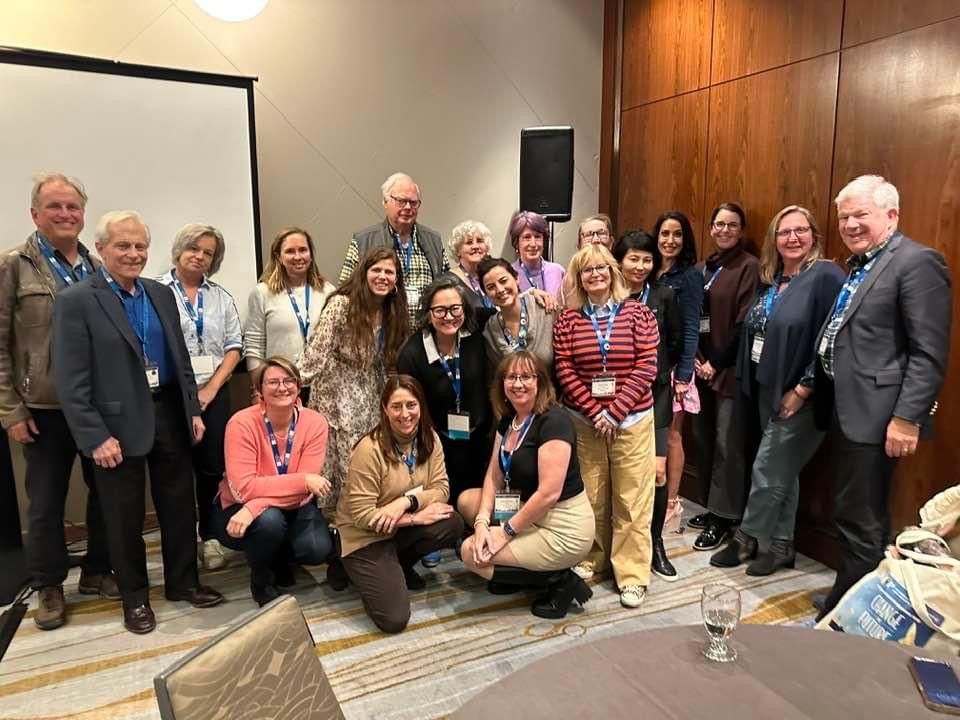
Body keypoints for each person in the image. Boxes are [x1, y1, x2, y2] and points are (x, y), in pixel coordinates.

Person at [53, 211, 222, 635]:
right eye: (123, 246)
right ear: (103, 249)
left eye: (140, 246)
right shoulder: (77, 299)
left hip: (167, 411)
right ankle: (135, 598)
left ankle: (183, 583)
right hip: (114, 425)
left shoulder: (158, 293)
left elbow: (180, 360)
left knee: (180, 506)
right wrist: (94, 436)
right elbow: (71, 380)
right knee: (123, 517)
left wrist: (192, 410)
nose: (133, 254)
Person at [814, 175, 951, 618]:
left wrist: (907, 418)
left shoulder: (916, 263)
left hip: (878, 416)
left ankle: (850, 616)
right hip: (846, 406)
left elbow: (928, 352)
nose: (851, 225)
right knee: (852, 512)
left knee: (862, 520)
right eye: (844, 217)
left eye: (861, 215)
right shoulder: (861, 264)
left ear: (891, 215)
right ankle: (851, 595)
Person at [0, 172, 116, 630]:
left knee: (106, 493)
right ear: (35, 214)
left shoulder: (97, 265)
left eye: (73, 207)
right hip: (42, 410)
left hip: (97, 405)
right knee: (46, 503)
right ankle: (48, 584)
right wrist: (10, 408)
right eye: (55, 207)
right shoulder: (13, 265)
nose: (65, 214)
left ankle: (97, 571)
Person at [710, 206, 844, 575]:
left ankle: (746, 538)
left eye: (801, 230)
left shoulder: (826, 276)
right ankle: (782, 545)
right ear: (775, 239)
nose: (793, 238)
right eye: (785, 232)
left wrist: (803, 388)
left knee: (768, 467)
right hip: (765, 386)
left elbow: (832, 339)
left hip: (801, 394)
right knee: (784, 469)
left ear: (814, 235)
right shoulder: (772, 279)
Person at [553, 244, 659, 608]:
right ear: (579, 278)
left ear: (613, 273)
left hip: (631, 419)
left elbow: (647, 365)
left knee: (632, 498)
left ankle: (631, 574)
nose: (595, 275)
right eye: (587, 270)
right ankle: (591, 559)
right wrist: (593, 410)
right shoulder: (568, 319)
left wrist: (614, 411)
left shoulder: (638, 314)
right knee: (591, 495)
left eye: (601, 268)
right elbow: (564, 368)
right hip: (584, 421)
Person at [461, 352, 594, 618]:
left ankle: (560, 580)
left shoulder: (554, 420)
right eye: (511, 377)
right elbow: (493, 477)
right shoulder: (509, 421)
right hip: (530, 513)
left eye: (526, 377)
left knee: (468, 553)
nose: (518, 384)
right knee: (467, 501)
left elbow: (548, 494)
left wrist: (504, 532)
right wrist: (482, 523)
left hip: (563, 527)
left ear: (541, 382)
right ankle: (516, 573)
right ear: (501, 384)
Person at [333, 375, 464, 633]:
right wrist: (414, 518)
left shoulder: (430, 439)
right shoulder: (368, 450)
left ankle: (396, 565)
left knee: (452, 522)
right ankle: (344, 565)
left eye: (411, 405)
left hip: (396, 528)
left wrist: (407, 502)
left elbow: (442, 488)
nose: (405, 414)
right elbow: (362, 517)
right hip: (364, 536)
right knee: (394, 620)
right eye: (396, 406)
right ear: (384, 409)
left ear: (421, 406)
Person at [213, 357, 333, 606]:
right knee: (269, 522)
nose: (282, 387)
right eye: (273, 382)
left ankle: (279, 556)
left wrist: (255, 505)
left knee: (317, 549)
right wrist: (303, 481)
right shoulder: (241, 423)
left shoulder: (315, 423)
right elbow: (244, 488)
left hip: (287, 506)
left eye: (289, 381)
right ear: (259, 390)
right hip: (238, 507)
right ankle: (261, 579)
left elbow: (304, 494)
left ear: (299, 387)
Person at [160, 223, 243, 571]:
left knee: (212, 469)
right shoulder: (155, 291)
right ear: (180, 249)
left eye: (208, 252)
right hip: (169, 396)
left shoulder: (221, 297)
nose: (200, 256)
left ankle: (211, 537)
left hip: (214, 395)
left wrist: (210, 390)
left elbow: (234, 346)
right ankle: (180, 545)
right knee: (175, 470)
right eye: (194, 248)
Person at [301, 247, 409, 508]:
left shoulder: (390, 310)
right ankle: (336, 526)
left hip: (370, 392)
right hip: (336, 393)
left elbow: (385, 360)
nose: (383, 276)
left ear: (396, 281)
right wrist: (289, 390)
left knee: (367, 459)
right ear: (364, 273)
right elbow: (316, 353)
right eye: (377, 270)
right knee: (340, 463)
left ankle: (364, 519)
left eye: (389, 272)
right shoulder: (342, 304)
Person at [613, 230, 683, 580]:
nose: (640, 265)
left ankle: (655, 542)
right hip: (611, 398)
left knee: (656, 473)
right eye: (633, 258)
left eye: (646, 258)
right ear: (619, 260)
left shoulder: (664, 296)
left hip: (653, 396)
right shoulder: (606, 295)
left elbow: (673, 342)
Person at [691, 202, 760, 551]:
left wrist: (715, 363)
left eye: (732, 225)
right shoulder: (704, 268)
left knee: (726, 444)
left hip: (728, 372)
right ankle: (710, 506)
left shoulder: (749, 267)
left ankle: (725, 515)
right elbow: (694, 318)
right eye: (719, 224)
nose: (725, 230)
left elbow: (743, 323)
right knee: (703, 440)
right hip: (700, 371)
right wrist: (698, 360)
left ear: (741, 230)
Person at [397, 277, 493, 521]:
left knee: (477, 498)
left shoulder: (475, 336)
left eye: (455, 308)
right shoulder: (413, 353)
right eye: (440, 310)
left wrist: (536, 296)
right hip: (437, 442)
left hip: (480, 437)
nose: (449, 316)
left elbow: (509, 304)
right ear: (428, 313)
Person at [338, 173, 448, 326]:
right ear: (385, 202)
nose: (408, 207)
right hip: (381, 335)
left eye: (413, 202)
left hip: (424, 336)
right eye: (401, 201)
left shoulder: (434, 240)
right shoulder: (364, 240)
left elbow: (446, 289)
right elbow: (345, 291)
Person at [243, 227, 335, 406]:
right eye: (290, 251)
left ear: (311, 254)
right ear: (279, 257)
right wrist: (258, 389)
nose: (298, 256)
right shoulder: (262, 293)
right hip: (280, 387)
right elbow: (254, 346)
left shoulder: (327, 291)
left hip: (322, 386)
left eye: (303, 250)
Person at [653, 211, 703, 530]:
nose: (670, 240)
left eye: (677, 234)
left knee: (672, 436)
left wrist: (684, 376)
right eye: (665, 233)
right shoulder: (649, 270)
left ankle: (673, 501)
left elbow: (690, 328)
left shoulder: (690, 276)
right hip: (649, 367)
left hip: (675, 370)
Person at [478, 257, 556, 372]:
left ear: (516, 279)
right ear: (486, 294)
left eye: (503, 281)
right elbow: (494, 378)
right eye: (491, 287)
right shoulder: (491, 330)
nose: (499, 289)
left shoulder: (545, 309)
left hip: (550, 388)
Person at [509, 210, 565, 296]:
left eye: (537, 237)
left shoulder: (558, 271)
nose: (533, 244)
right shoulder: (509, 273)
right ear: (517, 242)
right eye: (527, 237)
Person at [448, 220, 494, 309]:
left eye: (480, 241)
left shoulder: (492, 276)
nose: (475, 246)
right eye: (469, 242)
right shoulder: (449, 281)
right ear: (458, 251)